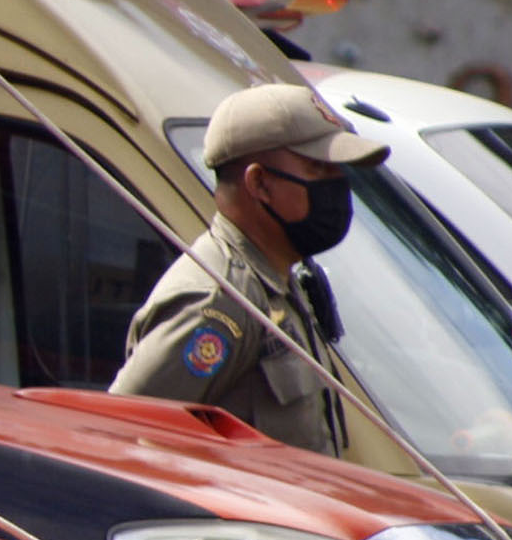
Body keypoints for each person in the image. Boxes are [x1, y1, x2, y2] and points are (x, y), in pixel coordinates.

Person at [111, 81, 383, 456]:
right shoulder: (218, 302)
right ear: (260, 184)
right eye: (319, 169)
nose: (337, 186)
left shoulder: (281, 282)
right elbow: (123, 440)